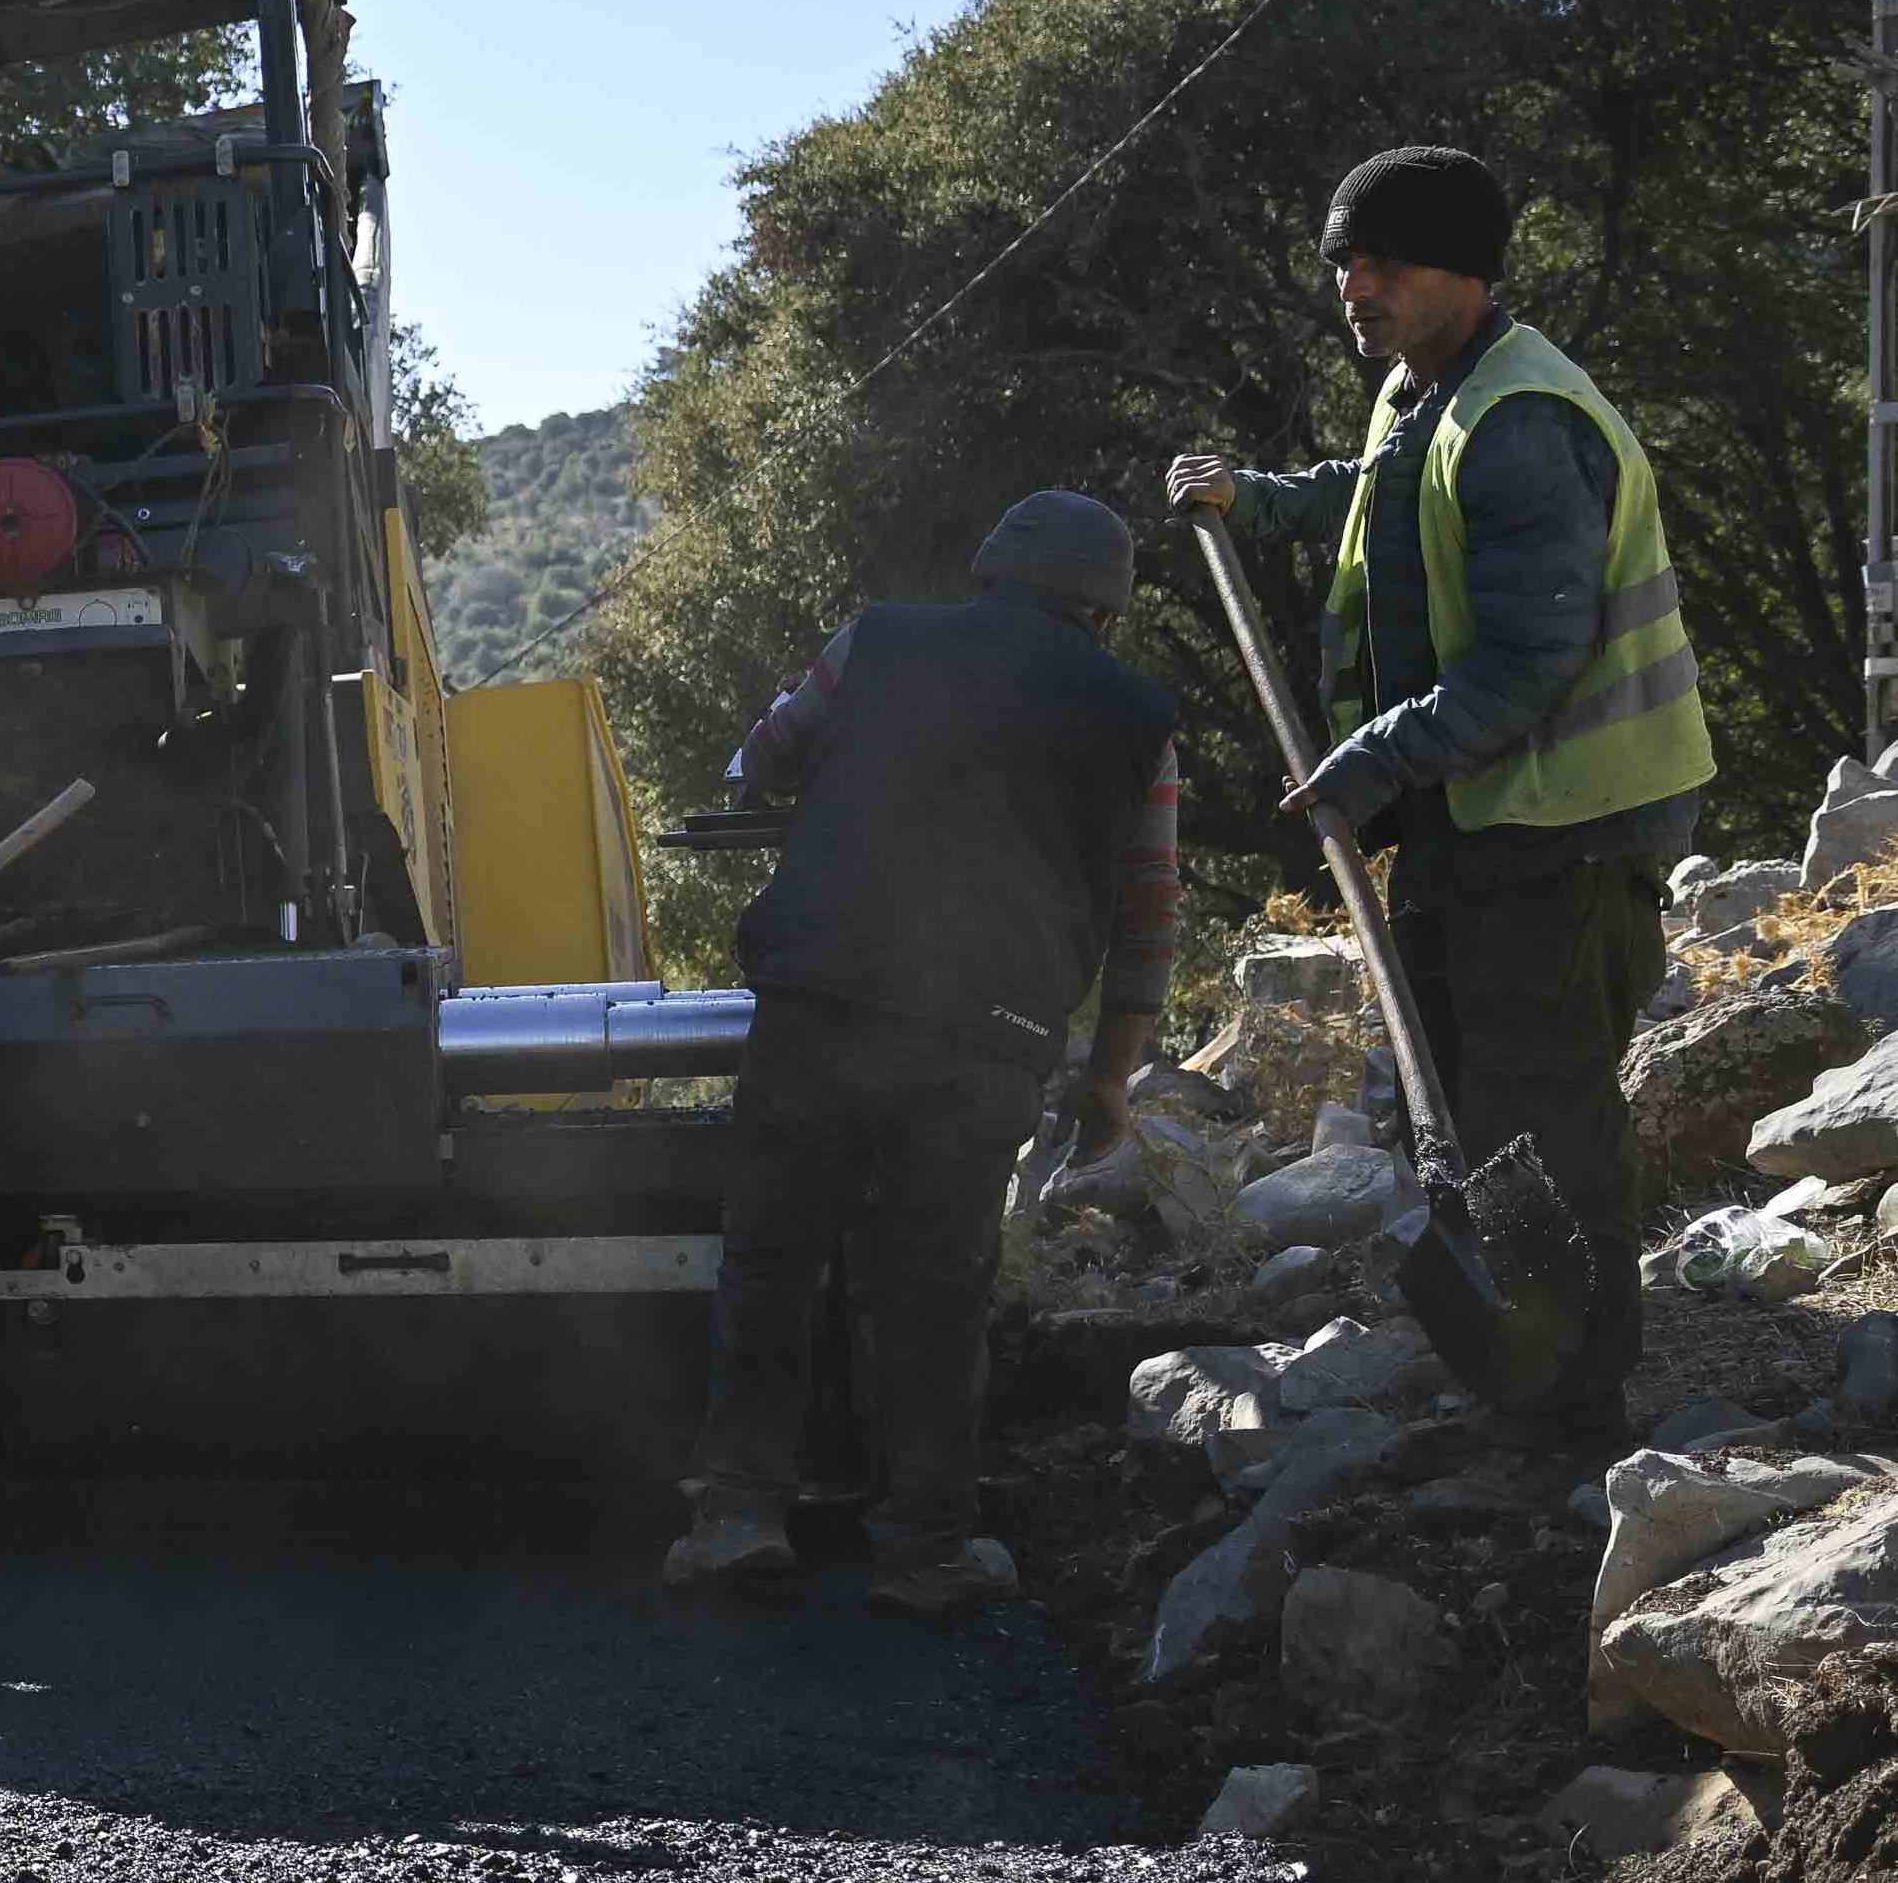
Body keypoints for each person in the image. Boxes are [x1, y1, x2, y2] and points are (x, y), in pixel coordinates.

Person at [1169, 143, 1709, 1460]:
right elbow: (1384, 504)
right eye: (1345, 263)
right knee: (1458, 1110)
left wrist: (1374, 760)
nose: (1356, 283)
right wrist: (1265, 497)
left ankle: (1575, 1413)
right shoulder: (1426, 395)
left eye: (1385, 261)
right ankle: (1518, 1371)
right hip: (1479, 822)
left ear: (1466, 271)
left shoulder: (1523, 420)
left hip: (1566, 832)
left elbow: (1534, 656)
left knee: (1540, 1115)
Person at [665, 494, 1182, 1617]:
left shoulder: (878, 641)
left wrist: (778, 783)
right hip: (985, 1035)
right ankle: (924, 1549)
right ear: (1104, 605)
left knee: (769, 1258)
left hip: (820, 1002)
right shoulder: (1140, 718)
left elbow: (762, 756)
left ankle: (738, 1517)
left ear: (989, 568)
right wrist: (1109, 1071)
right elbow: (1147, 914)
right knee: (935, 1288)